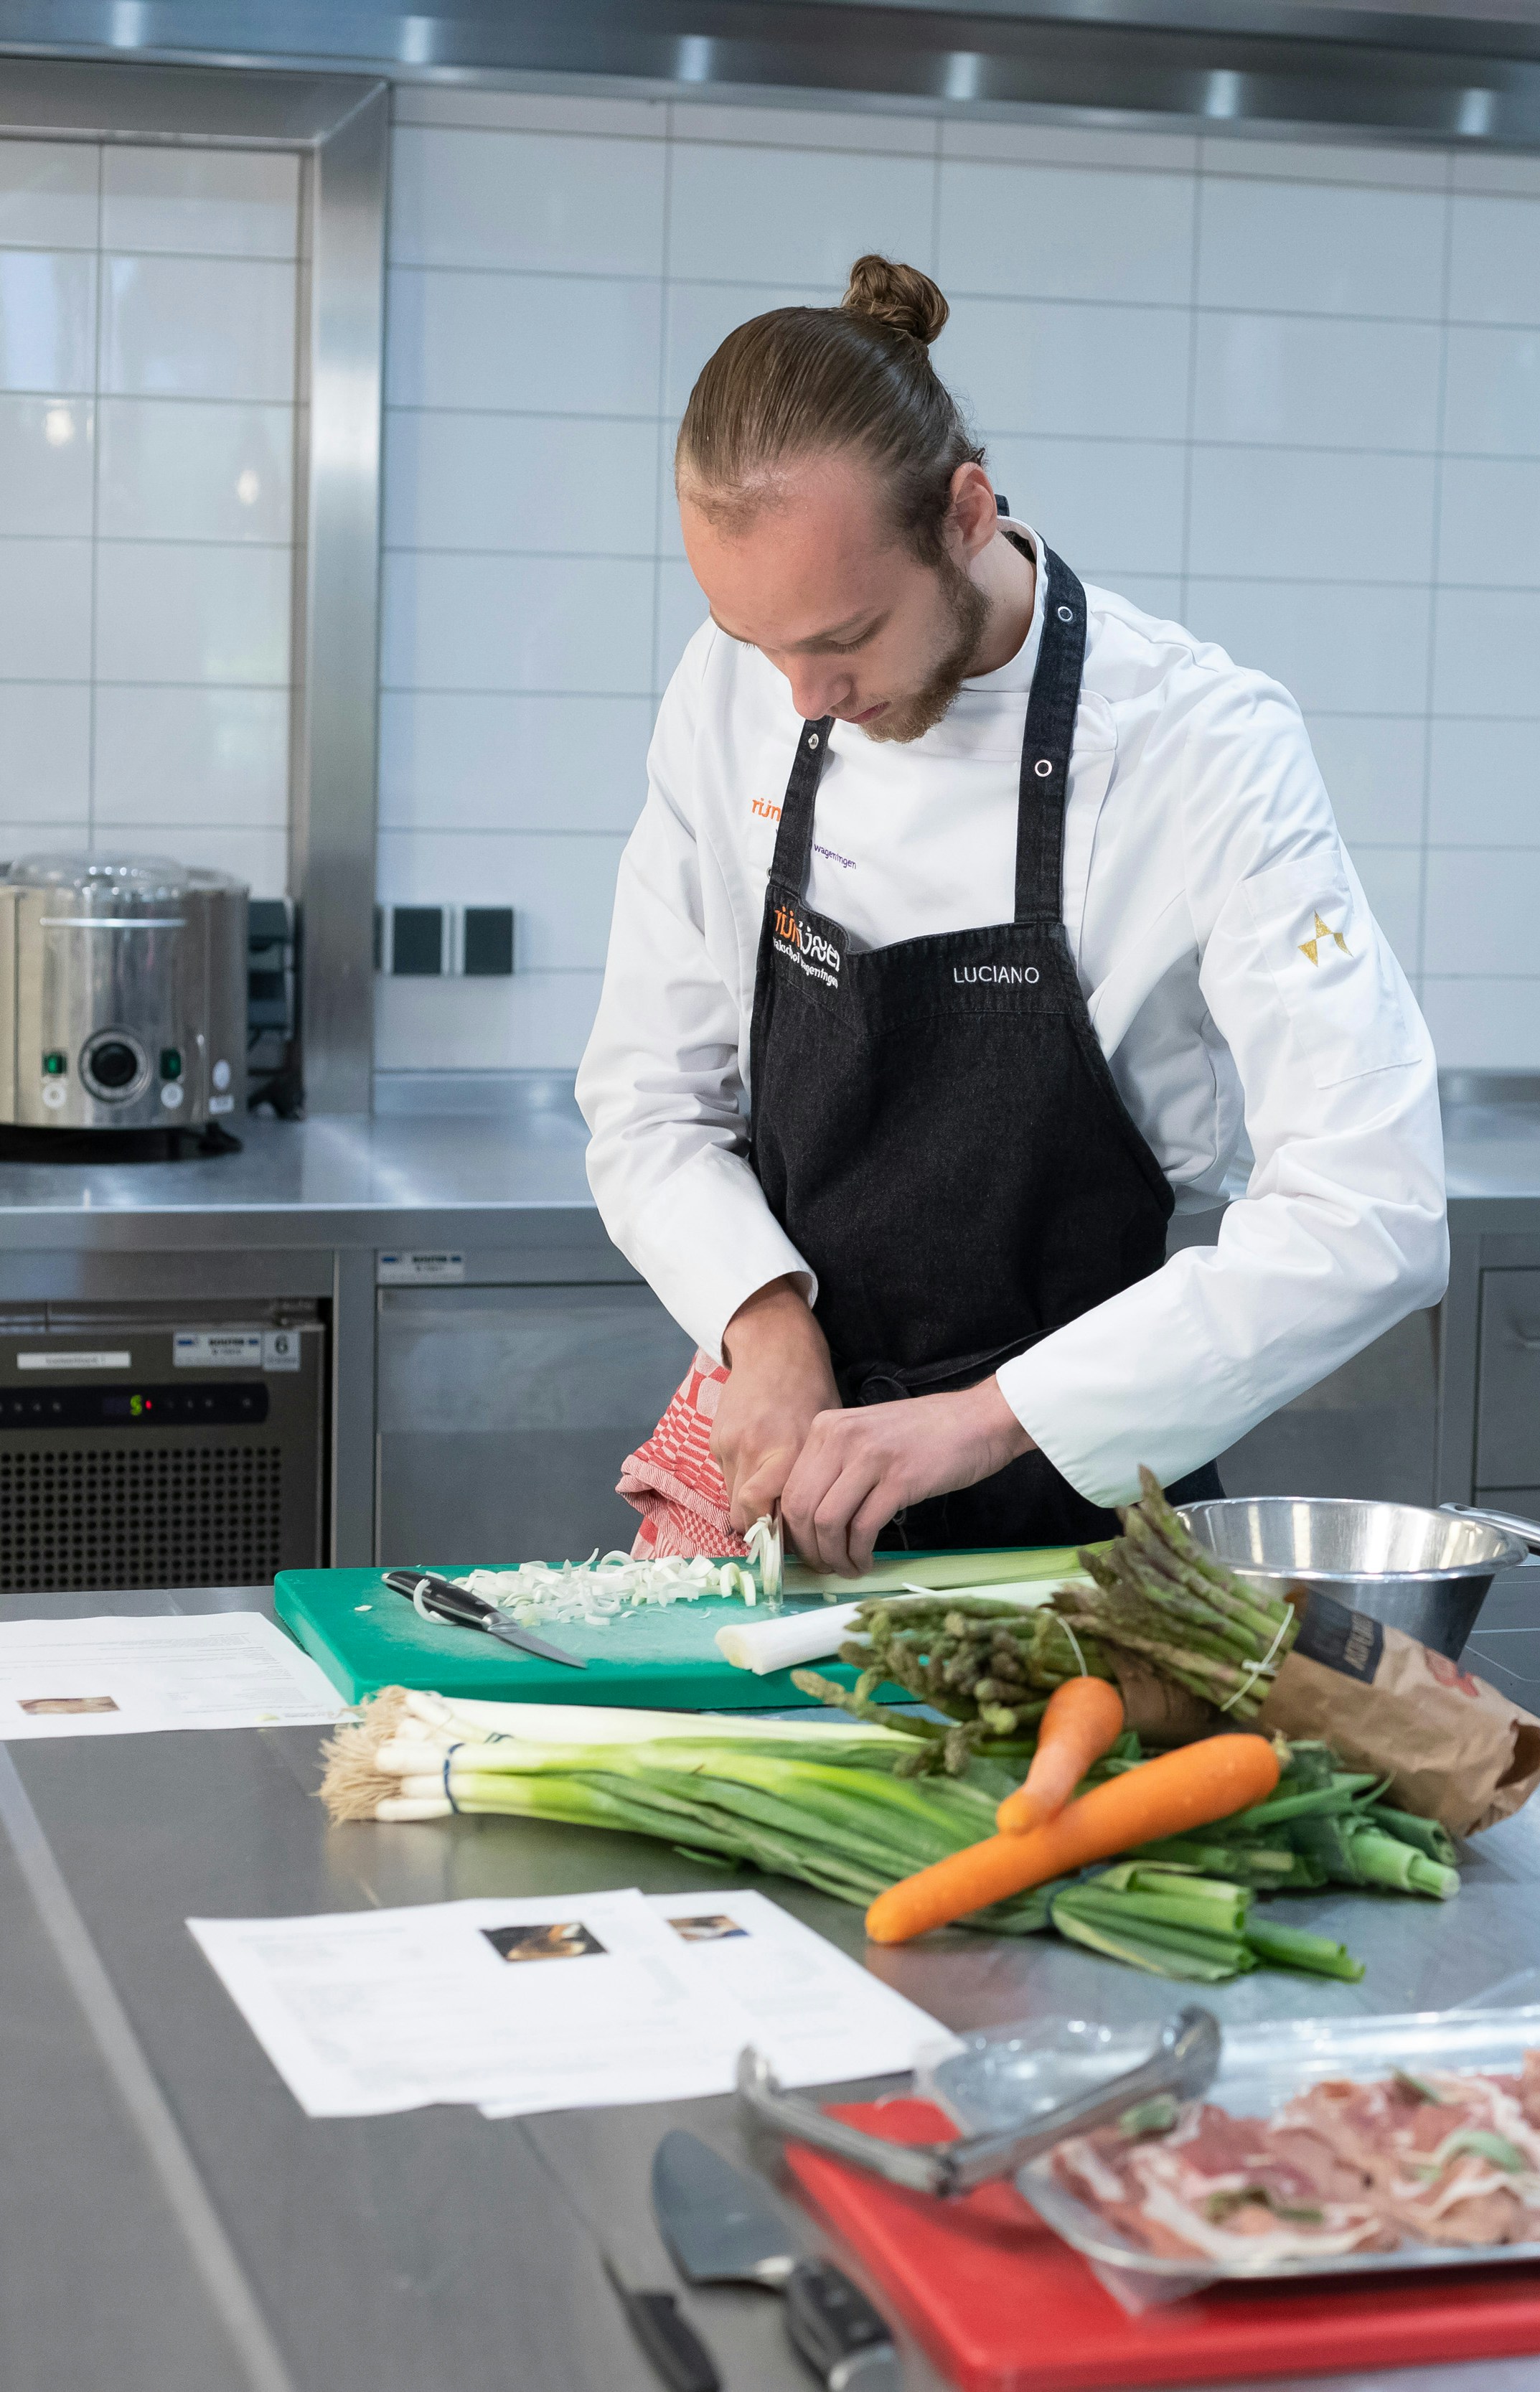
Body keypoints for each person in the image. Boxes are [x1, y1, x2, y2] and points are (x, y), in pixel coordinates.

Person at [578, 255, 1447, 1576]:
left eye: (847, 637)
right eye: (762, 645)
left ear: (965, 514)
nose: (805, 697)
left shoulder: (1200, 745)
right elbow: (649, 1097)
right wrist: (766, 1323)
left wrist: (984, 1422)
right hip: (792, 1506)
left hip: (1082, 1526)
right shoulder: (734, 690)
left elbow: (1371, 1211)